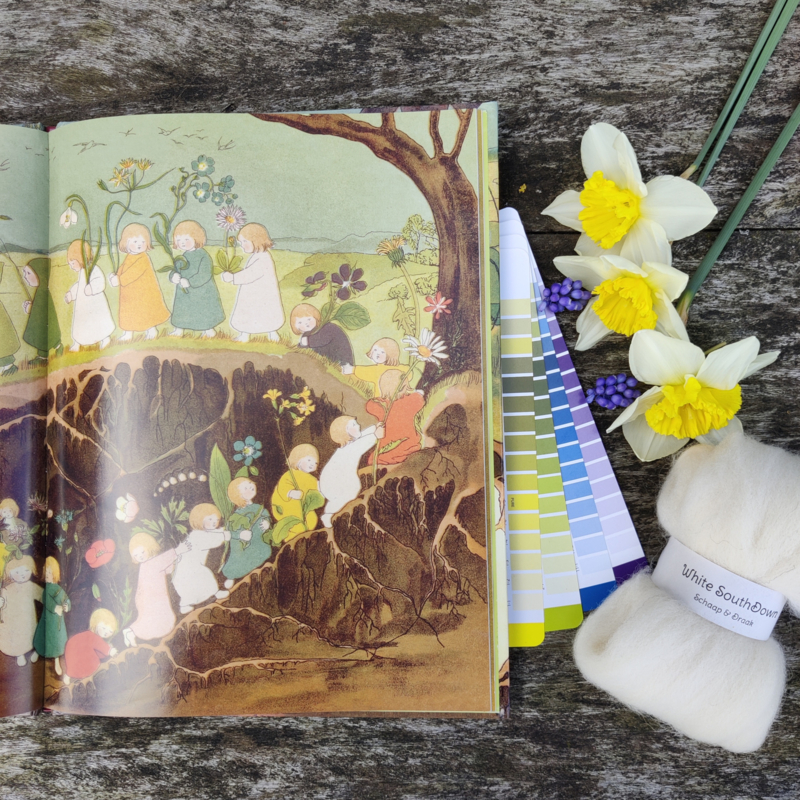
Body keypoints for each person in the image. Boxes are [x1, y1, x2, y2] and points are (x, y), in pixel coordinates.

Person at [122, 532, 191, 648]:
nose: (141, 556)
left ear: (149, 547)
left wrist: (177, 560)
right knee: (156, 620)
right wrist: (178, 551)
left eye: (142, 552)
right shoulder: (149, 563)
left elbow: (166, 569)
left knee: (153, 620)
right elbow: (164, 560)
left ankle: (130, 631)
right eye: (136, 555)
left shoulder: (149, 563)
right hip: (153, 599)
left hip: (154, 597)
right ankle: (131, 632)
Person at [221, 222, 284, 343]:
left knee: (263, 313)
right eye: (241, 243)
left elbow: (250, 274)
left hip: (261, 295)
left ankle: (272, 335)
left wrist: (232, 277)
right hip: (254, 294)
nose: (242, 245)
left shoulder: (263, 258)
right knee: (250, 313)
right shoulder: (258, 255)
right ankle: (246, 335)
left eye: (245, 241)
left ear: (256, 240)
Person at [318, 416, 385, 528]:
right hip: (332, 482)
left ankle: (332, 513)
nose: (358, 425)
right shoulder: (349, 449)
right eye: (353, 425)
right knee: (349, 491)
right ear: (345, 432)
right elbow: (361, 444)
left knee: (349, 492)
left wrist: (374, 428)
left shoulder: (348, 445)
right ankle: (329, 515)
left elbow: (360, 436)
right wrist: (375, 436)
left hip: (331, 480)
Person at [108, 223, 170, 341]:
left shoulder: (143, 258)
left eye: (142, 241)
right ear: (126, 242)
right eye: (135, 241)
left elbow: (133, 273)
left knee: (145, 312)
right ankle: (128, 333)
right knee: (129, 312)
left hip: (142, 294)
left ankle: (151, 331)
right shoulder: (129, 256)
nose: (139, 244)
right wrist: (116, 275)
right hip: (130, 294)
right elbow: (124, 268)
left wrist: (119, 280)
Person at [167, 220, 225, 338]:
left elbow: (205, 274)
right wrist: (173, 276)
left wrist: (190, 282)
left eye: (186, 239)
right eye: (179, 240)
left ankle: (208, 330)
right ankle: (178, 329)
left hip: (201, 292)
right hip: (184, 293)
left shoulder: (203, 255)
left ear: (197, 238)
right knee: (182, 310)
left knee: (203, 311)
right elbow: (176, 269)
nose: (182, 243)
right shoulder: (183, 256)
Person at [170, 504, 230, 614]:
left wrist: (222, 531)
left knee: (205, 579)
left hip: (192, 567)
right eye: (210, 519)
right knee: (198, 582)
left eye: (216, 520)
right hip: (187, 569)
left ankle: (215, 593)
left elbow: (213, 533)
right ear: (199, 520)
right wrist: (224, 536)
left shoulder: (201, 532)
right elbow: (211, 540)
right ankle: (184, 605)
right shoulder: (197, 535)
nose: (214, 522)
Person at [222, 477, 273, 589]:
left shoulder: (259, 508)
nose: (250, 488)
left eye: (250, 484)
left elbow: (266, 517)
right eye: (245, 488)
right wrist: (240, 535)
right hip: (244, 548)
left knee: (262, 554)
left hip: (259, 544)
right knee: (239, 562)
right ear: (237, 494)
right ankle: (232, 576)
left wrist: (267, 523)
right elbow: (230, 532)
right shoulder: (236, 515)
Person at [365, 370, 424, 466]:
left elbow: (369, 405)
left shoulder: (380, 405)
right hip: (410, 445)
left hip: (389, 448)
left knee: (374, 459)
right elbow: (419, 398)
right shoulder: (411, 400)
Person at [64, 240, 115, 351]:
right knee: (81, 324)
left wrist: (92, 288)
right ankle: (77, 343)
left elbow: (100, 282)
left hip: (95, 305)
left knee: (98, 323)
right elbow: (79, 285)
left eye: (73, 263)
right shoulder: (82, 272)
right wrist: (71, 294)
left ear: (81, 258)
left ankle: (105, 339)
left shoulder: (94, 269)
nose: (71, 266)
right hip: (83, 306)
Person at [271, 444, 320, 540]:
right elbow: (283, 486)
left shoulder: (312, 479)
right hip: (290, 506)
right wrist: (290, 492)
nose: (312, 464)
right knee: (291, 525)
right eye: (309, 460)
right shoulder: (290, 475)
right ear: (298, 459)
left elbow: (316, 490)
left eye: (315, 462)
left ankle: (306, 536)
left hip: (304, 509)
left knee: (311, 520)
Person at [0, 556, 42, 666]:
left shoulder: (31, 586)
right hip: (13, 621)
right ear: (10, 573)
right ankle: (20, 654)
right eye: (17, 572)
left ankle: (34, 649)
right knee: (16, 638)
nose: (22, 574)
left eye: (26, 570)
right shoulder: (6, 589)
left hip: (27, 619)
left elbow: (42, 596)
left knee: (29, 635)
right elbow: (3, 605)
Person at [33, 556, 70, 677]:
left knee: (55, 641)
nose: (47, 574)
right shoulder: (47, 589)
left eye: (50, 572)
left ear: (55, 573)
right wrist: (56, 608)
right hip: (47, 620)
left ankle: (56, 661)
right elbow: (47, 601)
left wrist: (66, 606)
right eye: (46, 571)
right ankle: (38, 652)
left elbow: (66, 600)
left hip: (57, 622)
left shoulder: (59, 589)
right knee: (42, 637)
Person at [63, 608, 118, 685]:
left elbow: (98, 651)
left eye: (110, 631)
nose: (106, 633)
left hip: (73, 657)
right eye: (104, 628)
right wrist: (110, 651)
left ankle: (68, 675)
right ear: (95, 624)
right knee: (94, 666)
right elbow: (102, 646)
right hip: (79, 657)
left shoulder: (88, 634)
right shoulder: (93, 636)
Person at [22, 257, 61, 363]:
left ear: (40, 275)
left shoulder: (43, 292)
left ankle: (44, 357)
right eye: (25, 273)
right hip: (46, 323)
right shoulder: (41, 291)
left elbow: (40, 310)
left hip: (45, 323)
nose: (25, 276)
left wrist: (31, 308)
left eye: (28, 273)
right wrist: (32, 307)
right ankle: (52, 350)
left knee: (44, 336)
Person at [342, 338, 409, 397]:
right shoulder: (402, 368)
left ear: (391, 355)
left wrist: (353, 369)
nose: (378, 354)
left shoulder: (379, 370)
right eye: (375, 350)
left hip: (382, 400)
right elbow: (409, 371)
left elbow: (366, 372)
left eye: (382, 352)